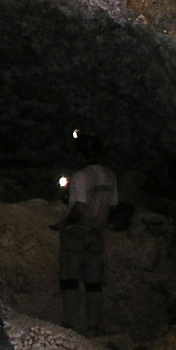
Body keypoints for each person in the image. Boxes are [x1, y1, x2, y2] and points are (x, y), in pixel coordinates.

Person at [56, 137, 119, 334]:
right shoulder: (109, 176)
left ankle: (69, 325)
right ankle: (93, 326)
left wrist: (64, 223)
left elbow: (80, 207)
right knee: (93, 283)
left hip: (78, 231)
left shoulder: (81, 176)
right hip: (97, 232)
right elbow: (113, 205)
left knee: (70, 278)